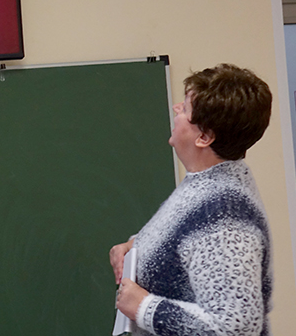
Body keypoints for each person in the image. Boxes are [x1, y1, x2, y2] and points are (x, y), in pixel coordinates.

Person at [110, 64, 273, 336]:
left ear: (204, 137)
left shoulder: (223, 217)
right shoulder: (207, 181)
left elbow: (236, 328)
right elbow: (189, 239)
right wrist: (136, 246)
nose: (176, 109)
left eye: (185, 109)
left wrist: (144, 307)